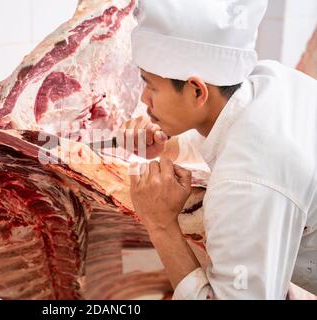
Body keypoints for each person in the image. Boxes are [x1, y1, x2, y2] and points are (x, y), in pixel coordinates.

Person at [123, 0, 317, 299]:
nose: (144, 98)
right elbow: (230, 131)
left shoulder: (246, 181)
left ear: (197, 91)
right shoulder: (268, 80)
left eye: (150, 86)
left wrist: (160, 224)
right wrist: (169, 147)